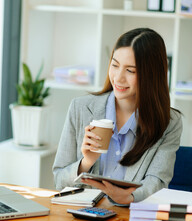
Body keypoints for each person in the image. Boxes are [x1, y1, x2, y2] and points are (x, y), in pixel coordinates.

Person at [52, 28, 182, 205]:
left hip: (129, 220)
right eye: (114, 65)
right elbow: (59, 180)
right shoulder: (80, 108)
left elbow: (157, 182)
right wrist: (86, 161)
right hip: (83, 218)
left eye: (130, 70)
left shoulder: (169, 123)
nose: (118, 78)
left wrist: (129, 197)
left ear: (151, 75)